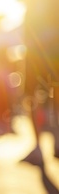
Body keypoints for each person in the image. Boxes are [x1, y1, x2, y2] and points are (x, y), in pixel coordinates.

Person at [23, 0, 59, 163]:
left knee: (38, 95)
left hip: (46, 51)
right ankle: (42, 145)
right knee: (33, 96)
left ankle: (51, 142)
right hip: (36, 52)